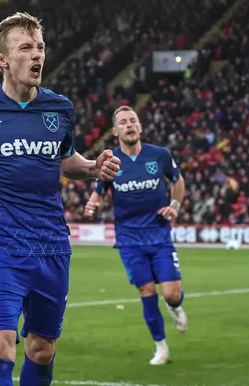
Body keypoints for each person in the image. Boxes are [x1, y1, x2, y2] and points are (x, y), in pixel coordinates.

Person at [0, 12, 120, 386]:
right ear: (2, 59)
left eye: (40, 47)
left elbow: (66, 160)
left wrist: (94, 166)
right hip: (0, 245)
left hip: (51, 246)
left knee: (41, 350)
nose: (37, 56)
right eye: (25, 48)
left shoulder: (60, 108)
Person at [85, 105, 187, 366]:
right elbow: (99, 190)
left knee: (172, 293)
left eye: (133, 120)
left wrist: (174, 206)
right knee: (146, 290)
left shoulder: (159, 156)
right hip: (129, 238)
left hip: (159, 233)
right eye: (123, 122)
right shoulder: (112, 162)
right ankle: (161, 348)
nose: (129, 125)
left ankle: (175, 307)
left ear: (140, 126)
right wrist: (92, 203)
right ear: (115, 130)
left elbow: (177, 180)